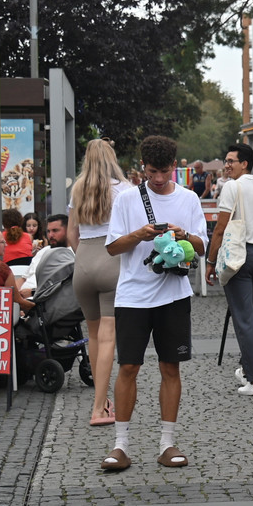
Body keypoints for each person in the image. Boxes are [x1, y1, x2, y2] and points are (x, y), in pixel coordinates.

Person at [99, 136, 207, 472]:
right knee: (128, 367)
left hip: (173, 295)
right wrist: (139, 235)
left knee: (170, 368)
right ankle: (120, 446)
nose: (158, 178)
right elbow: (112, 247)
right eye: (151, 172)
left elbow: (202, 247)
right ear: (141, 168)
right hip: (132, 296)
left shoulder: (188, 199)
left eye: (163, 171)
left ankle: (167, 443)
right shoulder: (127, 200)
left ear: (174, 166)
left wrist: (183, 234)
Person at [205, 143, 253, 396]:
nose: (227, 165)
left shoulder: (231, 187)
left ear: (245, 164)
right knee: (252, 315)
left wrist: (210, 260)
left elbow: (220, 228)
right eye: (226, 161)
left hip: (239, 255)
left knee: (243, 317)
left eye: (231, 161)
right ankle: (247, 367)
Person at [69, 139, 135, 427]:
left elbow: (71, 234)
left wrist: (83, 258)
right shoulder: (124, 189)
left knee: (93, 335)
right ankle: (99, 408)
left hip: (83, 261)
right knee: (109, 337)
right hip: (112, 258)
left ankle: (101, 400)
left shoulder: (78, 188)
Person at [21, 214, 70, 297]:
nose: (50, 235)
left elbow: (61, 286)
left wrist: (33, 292)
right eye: (48, 231)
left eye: (55, 230)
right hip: (23, 298)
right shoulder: (43, 251)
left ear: (68, 230)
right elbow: (24, 278)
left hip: (43, 300)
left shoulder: (72, 253)